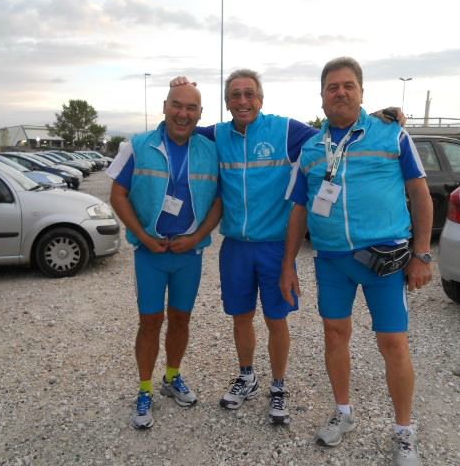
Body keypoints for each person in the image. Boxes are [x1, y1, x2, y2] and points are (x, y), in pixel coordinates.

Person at [171, 71, 403, 425]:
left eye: (249, 93)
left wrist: (375, 116)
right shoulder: (217, 134)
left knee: (275, 319)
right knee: (241, 317)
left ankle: (278, 385)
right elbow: (180, 125)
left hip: (274, 246)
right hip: (235, 247)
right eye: (235, 95)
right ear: (227, 102)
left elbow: (336, 133)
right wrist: (179, 92)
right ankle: (247, 376)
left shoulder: (285, 130)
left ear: (261, 99)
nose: (243, 101)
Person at [280, 57, 432, 466]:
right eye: (332, 87)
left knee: (392, 343)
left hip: (384, 259)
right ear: (322, 96)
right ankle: (343, 412)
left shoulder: (391, 133)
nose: (341, 92)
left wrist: (422, 253)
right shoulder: (310, 149)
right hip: (332, 261)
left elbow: (420, 193)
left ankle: (404, 432)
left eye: (348, 85)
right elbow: (299, 209)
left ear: (362, 92)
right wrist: (288, 264)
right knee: (334, 335)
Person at [108, 83, 221, 430]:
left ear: (200, 114)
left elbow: (220, 200)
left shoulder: (211, 150)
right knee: (150, 322)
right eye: (177, 105)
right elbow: (117, 194)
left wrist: (197, 237)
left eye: (191, 108)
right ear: (164, 106)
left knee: (182, 319)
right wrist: (142, 236)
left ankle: (172, 377)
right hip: (150, 252)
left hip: (189, 253)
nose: (183, 114)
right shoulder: (137, 145)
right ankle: (144, 389)